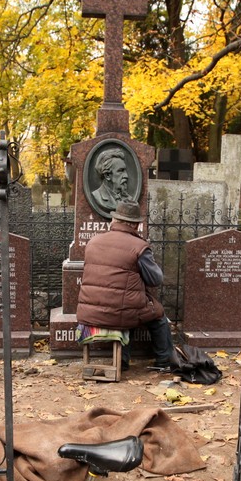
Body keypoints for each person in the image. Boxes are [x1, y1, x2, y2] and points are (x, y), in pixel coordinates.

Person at [77, 199, 174, 370]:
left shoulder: (93, 242)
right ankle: (164, 360)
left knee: (128, 306)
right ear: (135, 225)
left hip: (89, 312)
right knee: (157, 315)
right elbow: (155, 279)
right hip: (122, 311)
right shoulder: (140, 247)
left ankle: (123, 359)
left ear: (114, 221)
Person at [88, 149, 132, 215]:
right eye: (120, 171)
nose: (126, 176)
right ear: (107, 175)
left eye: (125, 171)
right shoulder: (97, 196)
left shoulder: (129, 198)